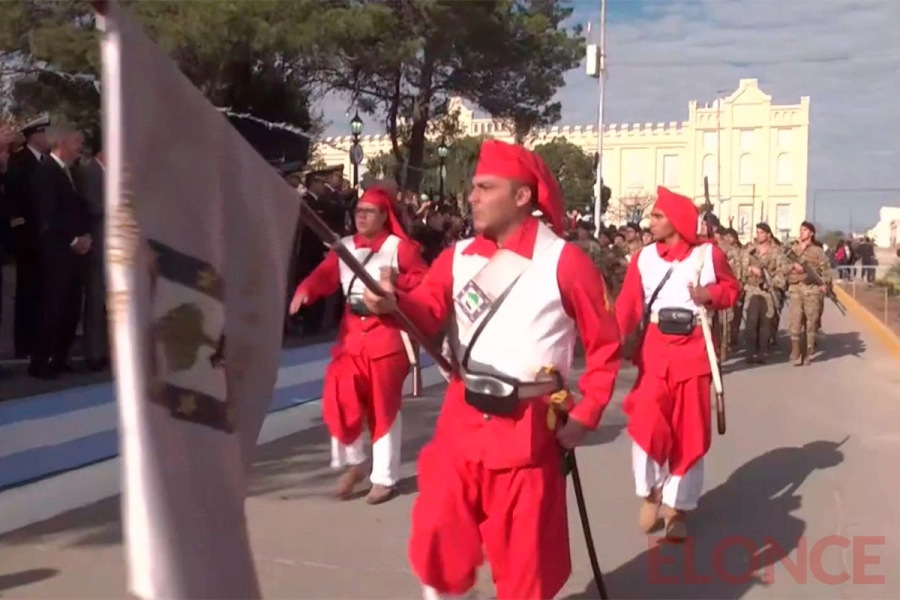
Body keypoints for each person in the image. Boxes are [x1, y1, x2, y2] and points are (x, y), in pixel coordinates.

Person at [362, 139, 622, 599]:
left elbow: (605, 346)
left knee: (523, 568)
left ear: (522, 196)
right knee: (439, 541)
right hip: (461, 420)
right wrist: (393, 302)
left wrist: (586, 414)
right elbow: (424, 310)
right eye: (473, 188)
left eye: (485, 187)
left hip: (527, 431)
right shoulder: (458, 257)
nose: (472, 196)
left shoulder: (563, 261)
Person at [614, 186, 739, 539]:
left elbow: (732, 290)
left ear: (677, 222)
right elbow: (628, 306)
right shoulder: (642, 258)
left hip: (694, 353)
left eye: (657, 216)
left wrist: (710, 295)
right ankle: (651, 493)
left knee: (690, 432)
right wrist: (609, 342)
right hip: (654, 352)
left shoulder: (708, 256)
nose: (650, 221)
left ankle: (678, 510)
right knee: (646, 424)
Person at [289, 186, 428, 504]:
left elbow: (426, 282)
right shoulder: (345, 247)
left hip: (387, 338)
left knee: (384, 407)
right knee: (339, 395)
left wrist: (396, 284)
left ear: (384, 216)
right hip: (351, 338)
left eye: (369, 211)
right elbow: (324, 275)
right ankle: (356, 462)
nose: (361, 215)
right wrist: (306, 290)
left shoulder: (400, 248)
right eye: (358, 210)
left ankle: (384, 478)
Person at [740, 223, 787, 363]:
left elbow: (782, 273)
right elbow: (741, 268)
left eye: (761, 232)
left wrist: (770, 282)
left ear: (768, 235)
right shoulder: (750, 250)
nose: (758, 235)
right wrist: (750, 270)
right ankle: (750, 352)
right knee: (751, 322)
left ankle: (763, 352)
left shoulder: (777, 252)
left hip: (768, 291)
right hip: (752, 290)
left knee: (766, 323)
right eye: (757, 232)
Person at [786, 221, 831, 365]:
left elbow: (826, 271)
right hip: (795, 289)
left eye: (804, 230)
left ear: (811, 233)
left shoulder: (818, 251)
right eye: (800, 230)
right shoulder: (793, 249)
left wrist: (825, 284)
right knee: (795, 321)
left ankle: (809, 352)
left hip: (812, 290)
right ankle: (796, 351)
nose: (801, 232)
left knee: (811, 323)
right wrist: (793, 266)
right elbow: (782, 266)